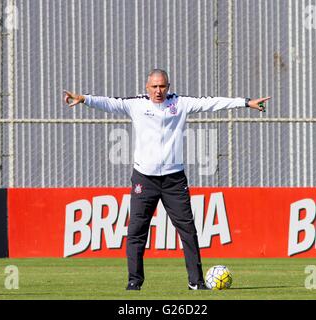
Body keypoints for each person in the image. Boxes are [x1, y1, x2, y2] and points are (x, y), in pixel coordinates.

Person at [64, 69, 270, 291]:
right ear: (147, 87)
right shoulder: (137, 104)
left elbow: (212, 102)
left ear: (168, 86)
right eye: (154, 87)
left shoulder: (180, 103)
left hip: (174, 179)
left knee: (188, 230)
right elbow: (109, 103)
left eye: (162, 86)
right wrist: (84, 99)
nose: (158, 91)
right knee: (136, 232)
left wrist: (246, 102)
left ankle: (196, 282)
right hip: (144, 178)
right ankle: (134, 282)